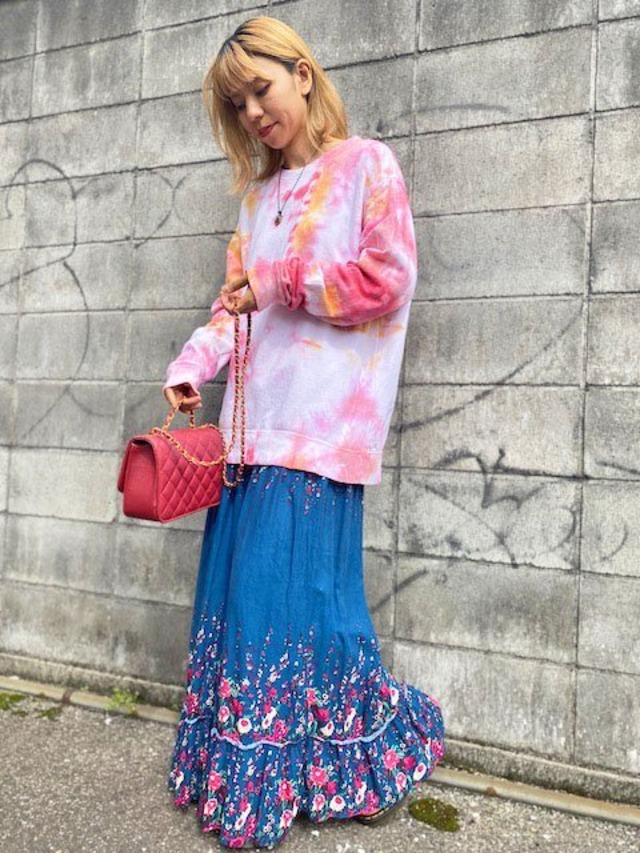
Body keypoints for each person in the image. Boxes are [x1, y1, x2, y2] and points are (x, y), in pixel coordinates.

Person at [163, 16, 445, 849]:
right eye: (237, 104)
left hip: (320, 438)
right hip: (249, 438)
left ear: (303, 75)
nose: (253, 113)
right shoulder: (257, 200)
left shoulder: (366, 167)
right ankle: (273, 770)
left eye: (260, 90)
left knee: (313, 611)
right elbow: (232, 308)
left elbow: (386, 280)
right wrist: (192, 364)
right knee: (253, 617)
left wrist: (281, 280)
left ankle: (358, 758)